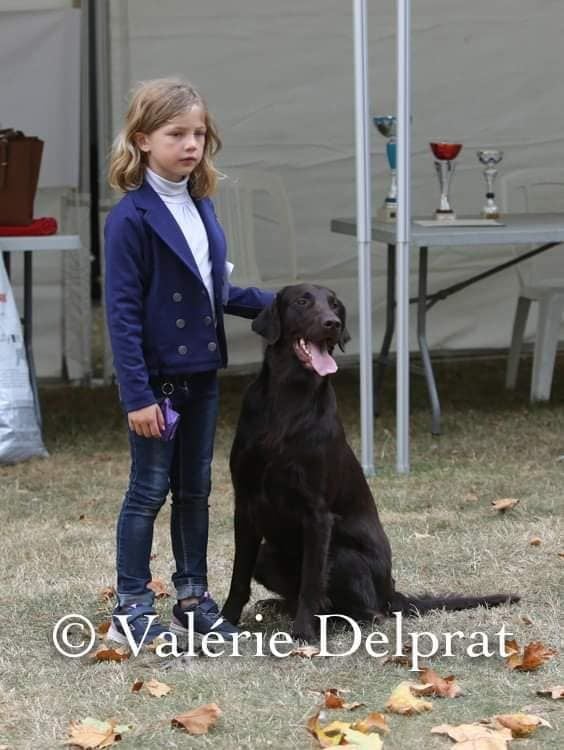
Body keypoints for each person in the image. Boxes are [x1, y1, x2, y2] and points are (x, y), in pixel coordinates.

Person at [104, 78, 274, 647]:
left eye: (198, 133)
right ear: (143, 139)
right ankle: (131, 605)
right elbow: (123, 315)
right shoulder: (130, 218)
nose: (191, 144)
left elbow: (215, 291)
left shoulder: (202, 205)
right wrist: (137, 396)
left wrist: (288, 303)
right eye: (176, 133)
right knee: (148, 489)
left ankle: (193, 600)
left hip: (201, 373)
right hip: (156, 382)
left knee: (195, 489)